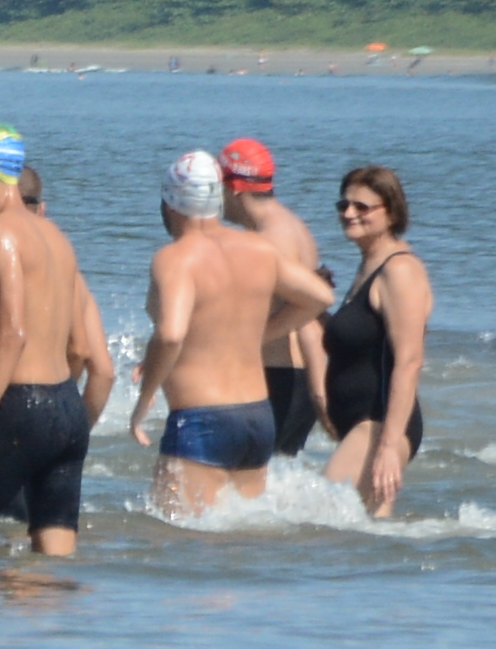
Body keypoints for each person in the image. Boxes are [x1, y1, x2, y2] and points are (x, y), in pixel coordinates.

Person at [127, 144, 333, 516]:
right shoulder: (258, 249)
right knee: (240, 544)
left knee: (174, 540)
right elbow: (319, 296)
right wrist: (258, 335)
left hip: (202, 419)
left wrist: (143, 402)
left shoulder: (175, 258)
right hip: (257, 417)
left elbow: (171, 334)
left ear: (170, 203)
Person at [0, 125, 110, 557]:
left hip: (22, 407)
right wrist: (57, 418)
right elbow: (81, 349)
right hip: (68, 410)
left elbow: (12, 333)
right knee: (52, 562)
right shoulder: (57, 238)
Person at [317, 161, 434, 517]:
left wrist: (387, 446)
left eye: (361, 207)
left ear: (391, 212)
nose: (349, 213)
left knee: (321, 518)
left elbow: (409, 360)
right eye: (343, 205)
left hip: (381, 424)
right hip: (360, 424)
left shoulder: (399, 270)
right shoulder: (369, 264)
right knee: (366, 538)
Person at [217, 137, 330, 456]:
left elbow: (309, 308)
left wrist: (250, 341)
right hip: (294, 382)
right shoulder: (292, 225)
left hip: (277, 382)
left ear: (234, 188)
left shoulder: (269, 240)